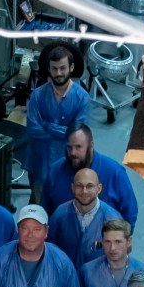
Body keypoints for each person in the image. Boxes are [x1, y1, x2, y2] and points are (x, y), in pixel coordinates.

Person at [41, 123, 138, 225]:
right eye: (69, 147)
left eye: (78, 147)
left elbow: (129, 214)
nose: (73, 153)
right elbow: (44, 210)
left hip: (102, 238)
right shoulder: (55, 171)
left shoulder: (115, 173)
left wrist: (119, 239)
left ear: (91, 146)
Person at [25, 43, 91, 192]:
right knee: (38, 207)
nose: (58, 73)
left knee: (63, 206)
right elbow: (33, 130)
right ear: (48, 69)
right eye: (54, 69)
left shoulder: (82, 98)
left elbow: (76, 136)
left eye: (62, 68)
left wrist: (47, 125)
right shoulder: (37, 95)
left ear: (71, 68)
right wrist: (63, 132)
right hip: (39, 162)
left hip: (67, 164)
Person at [47, 166, 108, 270]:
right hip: (64, 277)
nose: (84, 191)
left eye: (89, 186)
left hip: (97, 282)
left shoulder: (111, 219)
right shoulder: (60, 214)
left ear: (99, 188)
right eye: (79, 186)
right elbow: (49, 249)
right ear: (72, 188)